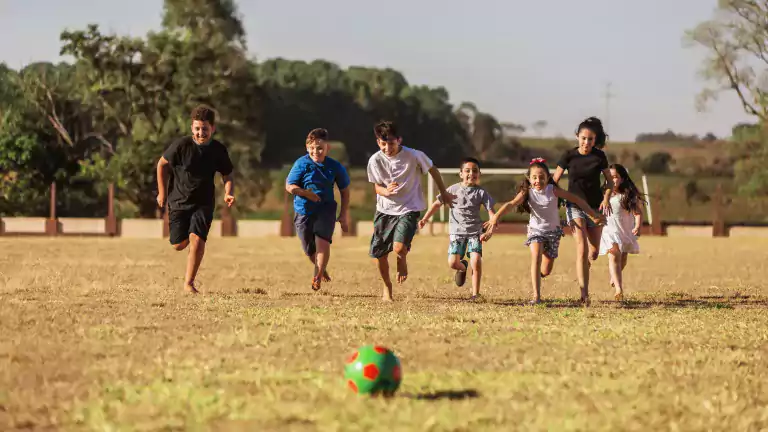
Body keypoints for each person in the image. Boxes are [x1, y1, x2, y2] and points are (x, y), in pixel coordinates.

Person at [486, 158, 605, 304]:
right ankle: (536, 296)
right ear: (529, 179)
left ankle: (540, 274)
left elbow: (577, 200)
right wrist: (496, 217)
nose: (538, 180)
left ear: (548, 178)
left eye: (542, 177)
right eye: (534, 177)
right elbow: (511, 204)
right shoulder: (527, 192)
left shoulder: (553, 190)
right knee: (536, 257)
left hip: (553, 233)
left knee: (546, 269)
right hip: (536, 231)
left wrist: (592, 215)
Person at [367, 120, 455, 302]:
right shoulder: (375, 160)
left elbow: (432, 170)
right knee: (380, 254)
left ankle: (401, 256)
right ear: (378, 142)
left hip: (409, 208)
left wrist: (444, 192)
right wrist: (386, 191)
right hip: (384, 210)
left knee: (398, 247)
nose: (387, 148)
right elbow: (376, 187)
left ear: (399, 140)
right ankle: (387, 288)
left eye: (391, 143)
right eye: (383, 144)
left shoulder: (414, 155)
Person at [156, 105, 235, 294]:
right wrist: (162, 193)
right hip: (178, 201)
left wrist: (228, 192)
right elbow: (162, 165)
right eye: (197, 128)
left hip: (203, 202)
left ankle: (189, 283)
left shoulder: (218, 150)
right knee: (178, 245)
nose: (201, 133)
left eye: (205, 129)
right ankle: (186, 244)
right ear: (192, 128)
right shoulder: (181, 146)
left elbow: (228, 174)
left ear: (213, 128)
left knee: (198, 240)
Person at [553, 117, 614, 305]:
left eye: (590, 139)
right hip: (574, 207)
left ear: (595, 140)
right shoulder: (568, 156)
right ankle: (584, 294)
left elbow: (609, 181)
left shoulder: (599, 157)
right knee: (581, 248)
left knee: (594, 252)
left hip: (595, 208)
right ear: (577, 136)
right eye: (583, 138)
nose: (586, 142)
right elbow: (554, 180)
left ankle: (586, 266)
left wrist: (606, 198)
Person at [418, 157, 495, 300]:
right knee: (453, 262)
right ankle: (463, 267)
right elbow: (437, 204)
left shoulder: (481, 193)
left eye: (475, 171)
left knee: (476, 260)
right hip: (456, 233)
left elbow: (492, 213)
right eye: (467, 171)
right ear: (460, 174)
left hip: (475, 233)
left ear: (479, 174)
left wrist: (490, 229)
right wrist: (425, 218)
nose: (471, 173)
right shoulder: (453, 189)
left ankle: (475, 294)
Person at [285, 128, 351, 291]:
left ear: (327, 148)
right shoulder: (301, 164)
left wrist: (343, 214)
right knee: (308, 247)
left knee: (323, 242)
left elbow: (345, 190)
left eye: (320, 148)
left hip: (326, 209)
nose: (316, 151)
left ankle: (318, 276)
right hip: (303, 210)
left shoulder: (335, 167)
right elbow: (289, 186)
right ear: (307, 148)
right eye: (312, 148)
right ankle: (321, 268)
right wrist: (306, 194)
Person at [599, 164, 644, 301]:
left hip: (624, 231)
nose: (612, 180)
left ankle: (614, 276)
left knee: (622, 259)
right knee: (614, 255)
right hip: (608, 231)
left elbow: (637, 213)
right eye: (609, 177)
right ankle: (619, 289)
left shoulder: (627, 195)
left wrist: (637, 226)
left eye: (615, 177)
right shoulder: (602, 194)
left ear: (622, 179)